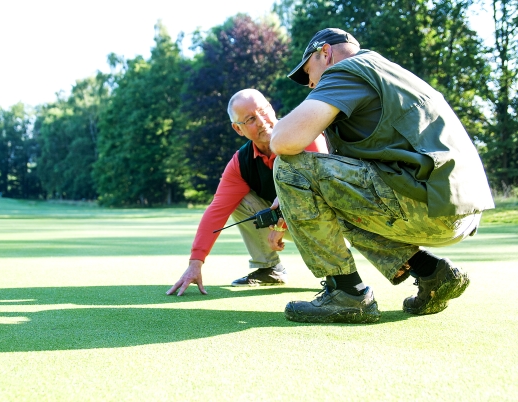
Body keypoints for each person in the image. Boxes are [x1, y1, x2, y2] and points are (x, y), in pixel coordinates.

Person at [270, 28, 495, 323]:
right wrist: (294, 200)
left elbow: (282, 142)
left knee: (288, 166)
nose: (311, 84)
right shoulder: (389, 72)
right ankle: (433, 273)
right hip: (460, 209)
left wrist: (297, 184)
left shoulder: (346, 71)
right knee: (331, 194)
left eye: (308, 73)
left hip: (427, 203)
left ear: (325, 53)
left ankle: (347, 294)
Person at [167, 88, 327, 296]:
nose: (261, 121)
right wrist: (195, 262)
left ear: (271, 108)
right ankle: (269, 269)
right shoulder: (241, 162)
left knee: (306, 194)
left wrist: (280, 226)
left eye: (263, 110)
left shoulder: (303, 132)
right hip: (290, 223)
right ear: (238, 129)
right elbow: (217, 211)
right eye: (250, 119)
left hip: (336, 220)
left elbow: (318, 189)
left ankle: (337, 276)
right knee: (238, 199)